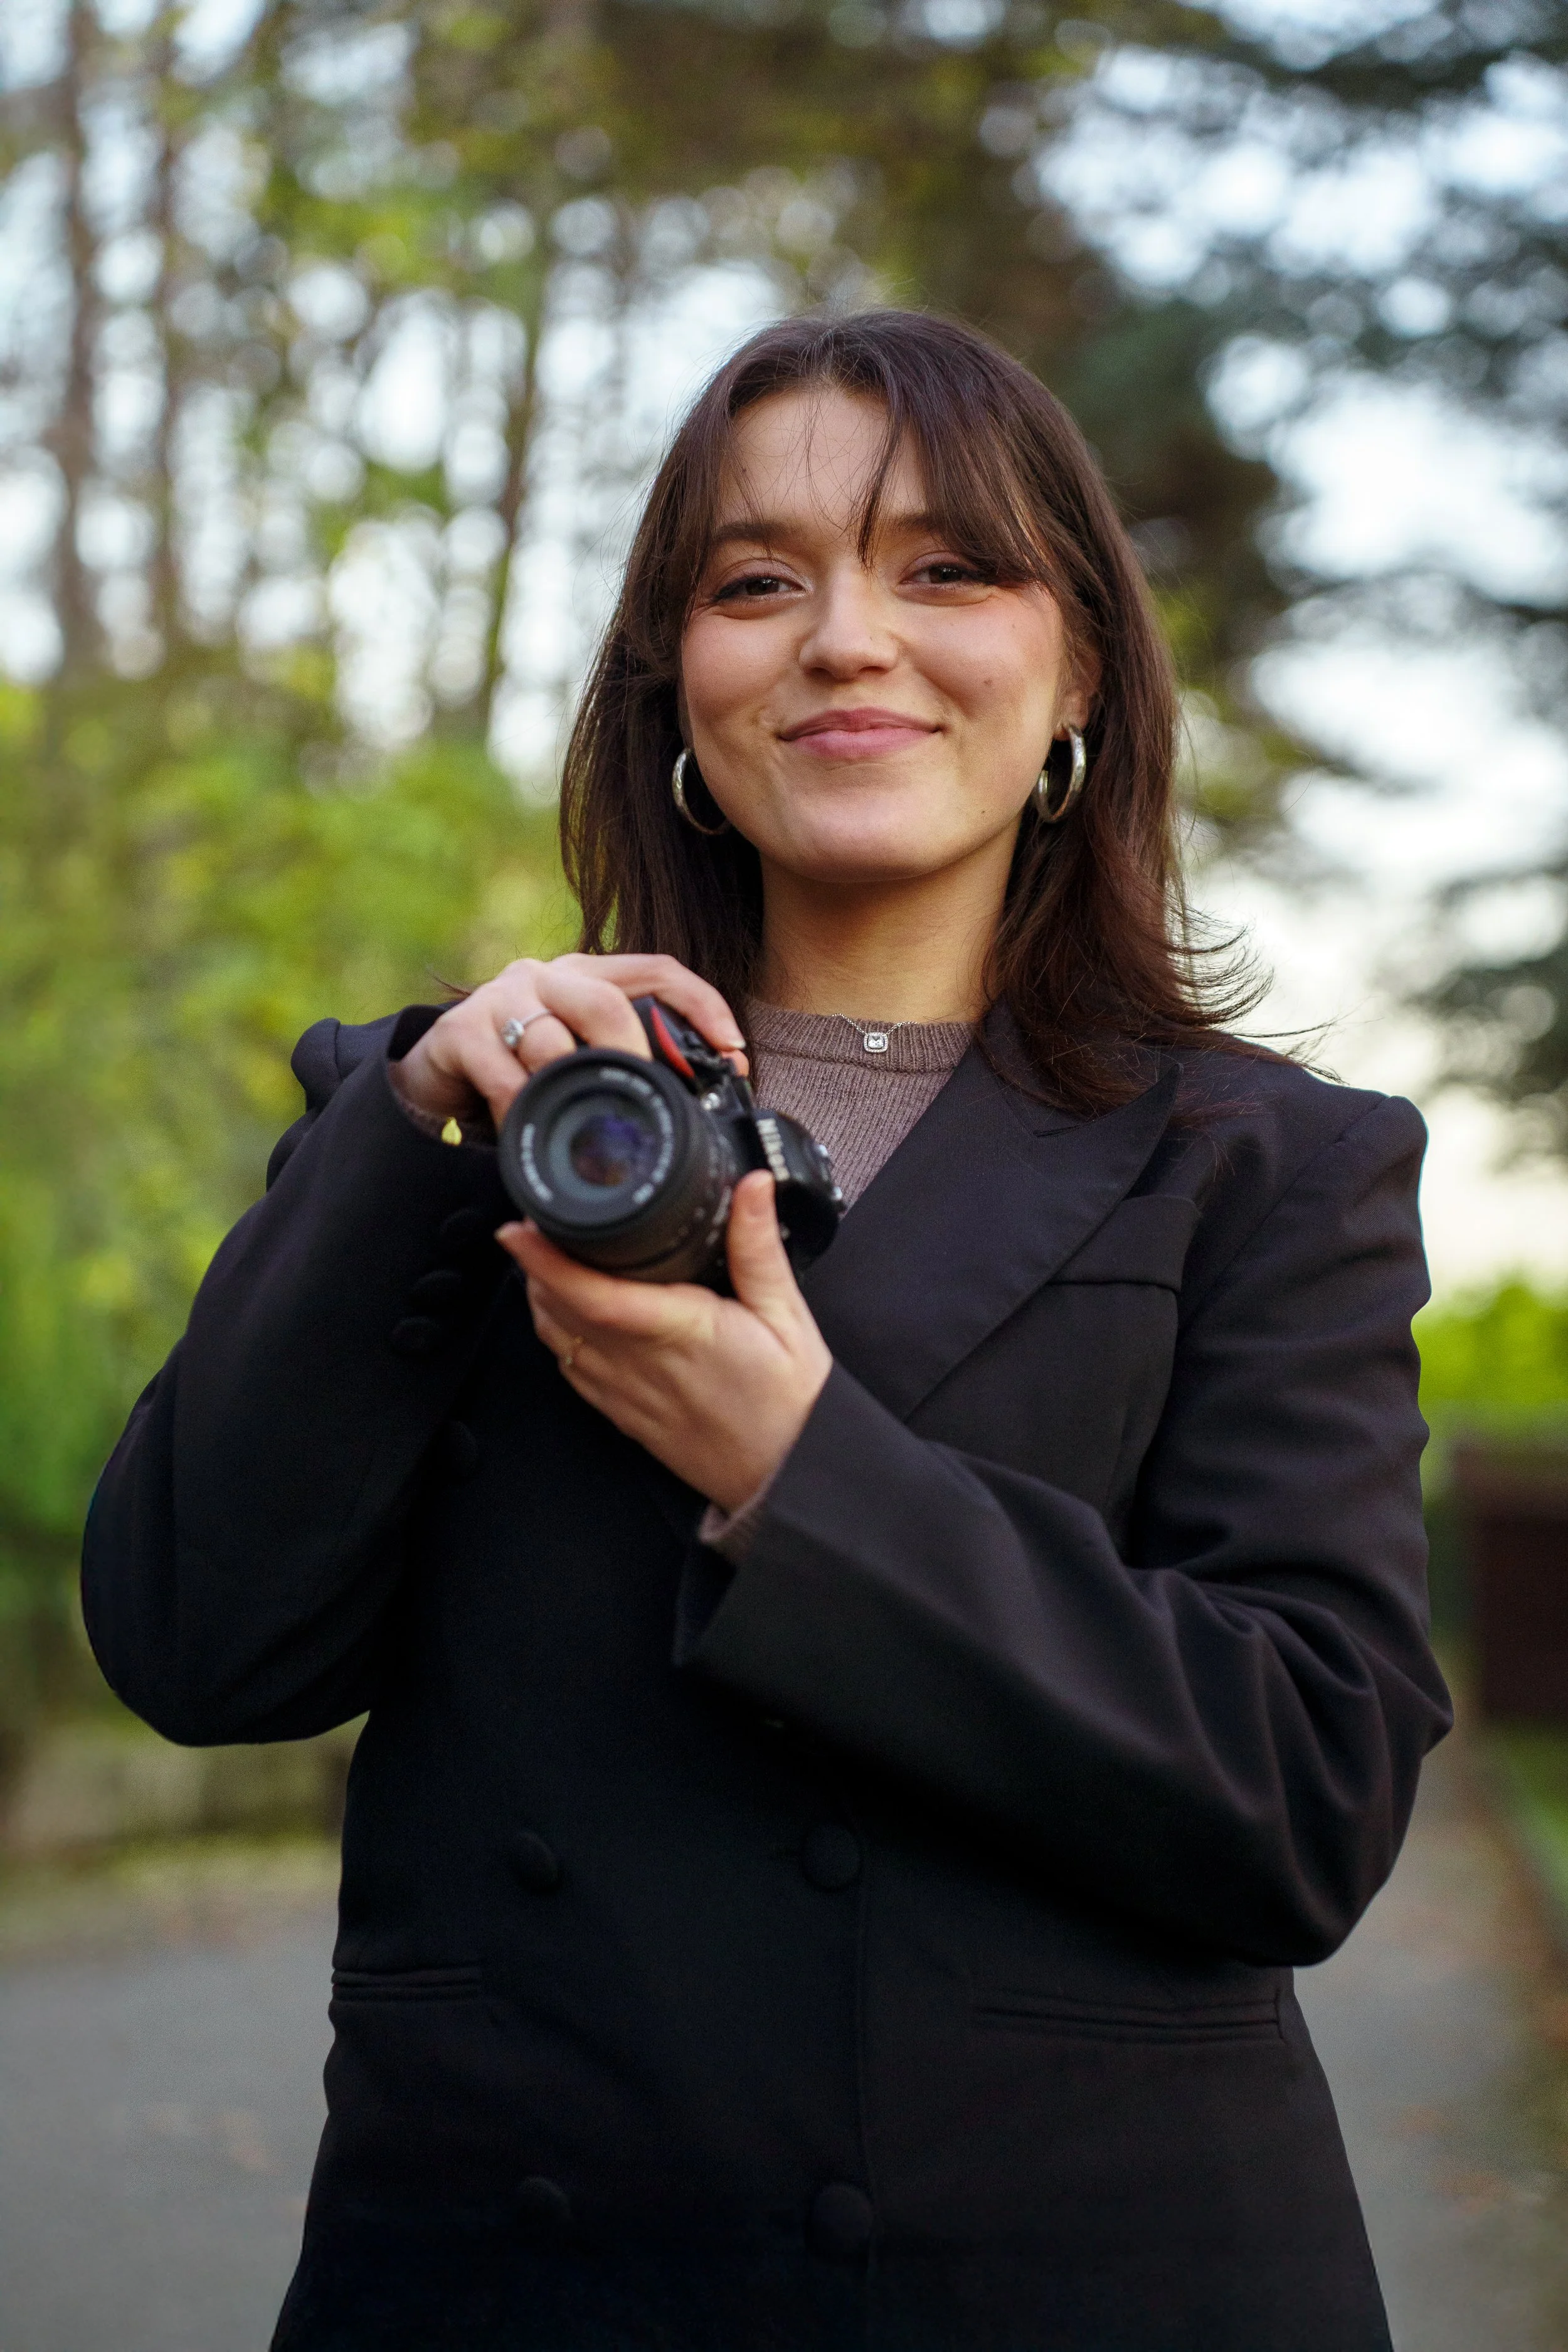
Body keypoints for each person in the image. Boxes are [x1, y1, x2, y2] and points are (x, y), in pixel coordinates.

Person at [83, 310, 1451, 2352]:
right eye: (754, 582)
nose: (841, 638)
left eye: (945, 568)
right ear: (673, 686)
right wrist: (394, 1144)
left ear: (1076, 670)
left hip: (1070, 2286)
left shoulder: (1268, 1166)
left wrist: (804, 1477)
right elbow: (196, 1647)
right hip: (506, 2278)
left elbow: (1306, 1792)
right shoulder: (492, 1120)